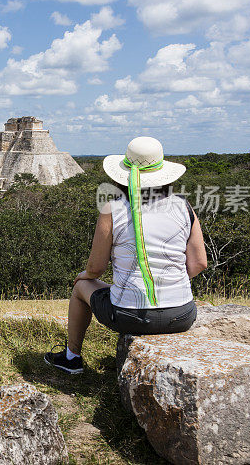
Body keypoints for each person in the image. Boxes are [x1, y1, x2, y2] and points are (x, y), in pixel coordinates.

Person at [46, 136, 208, 374]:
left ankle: (72, 358)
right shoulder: (184, 207)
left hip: (130, 315)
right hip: (181, 314)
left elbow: (96, 268)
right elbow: (199, 263)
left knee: (82, 287)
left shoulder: (112, 209)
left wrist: (83, 275)